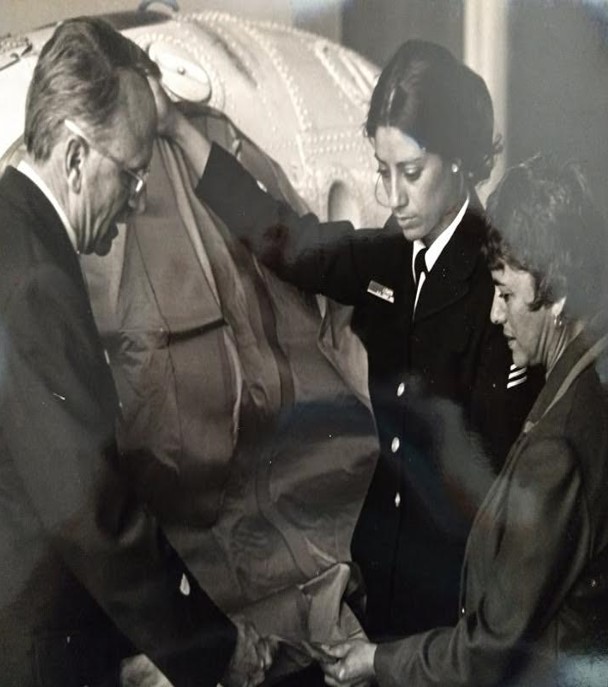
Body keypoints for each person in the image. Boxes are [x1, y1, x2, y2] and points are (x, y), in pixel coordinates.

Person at [154, 39, 540, 639]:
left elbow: (492, 498)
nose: (392, 196)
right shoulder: (394, 254)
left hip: (449, 612)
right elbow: (286, 241)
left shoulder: (501, 286)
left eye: (411, 173)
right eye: (383, 172)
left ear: (461, 158)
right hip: (379, 581)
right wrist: (178, 129)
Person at [0, 17, 272, 687]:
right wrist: (214, 648)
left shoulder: (11, 228)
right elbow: (90, 512)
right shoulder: (37, 281)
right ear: (73, 158)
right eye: (129, 174)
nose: (136, 200)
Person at [319, 154, 608, 686]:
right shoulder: (591, 374)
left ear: (559, 296)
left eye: (506, 295)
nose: (496, 316)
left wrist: (375, 661)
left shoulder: (559, 445)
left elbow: (492, 650)